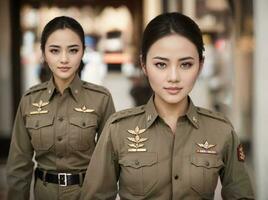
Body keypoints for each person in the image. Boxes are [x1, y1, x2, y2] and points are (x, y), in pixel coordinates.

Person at [80, 12, 254, 199]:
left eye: (186, 64)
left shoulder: (221, 131)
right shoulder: (117, 130)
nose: (173, 77)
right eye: (161, 65)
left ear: (200, 66)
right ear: (144, 65)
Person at [6, 16, 115, 200]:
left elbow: (110, 164)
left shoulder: (101, 99)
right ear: (43, 53)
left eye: (73, 50)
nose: (64, 59)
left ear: (83, 52)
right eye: (54, 50)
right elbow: (19, 166)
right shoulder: (29, 100)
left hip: (87, 195)